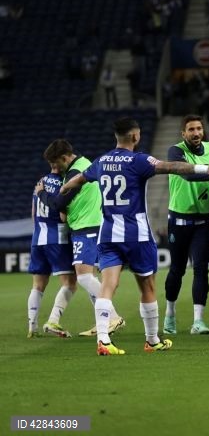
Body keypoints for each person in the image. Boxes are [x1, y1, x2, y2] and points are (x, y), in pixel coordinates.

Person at [59, 117, 209, 355]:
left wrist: (66, 187)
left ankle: (104, 340)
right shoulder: (139, 161)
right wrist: (205, 169)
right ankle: (152, 340)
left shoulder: (101, 161)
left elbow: (81, 177)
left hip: (107, 234)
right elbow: (172, 167)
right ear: (135, 136)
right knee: (147, 285)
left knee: (108, 285)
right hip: (136, 233)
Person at [37, 139, 125, 336]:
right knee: (88, 276)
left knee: (84, 276)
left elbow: (59, 202)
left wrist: (41, 194)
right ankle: (103, 322)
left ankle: (113, 317)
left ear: (65, 157)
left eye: (55, 163)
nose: (54, 168)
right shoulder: (80, 166)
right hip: (86, 225)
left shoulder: (77, 172)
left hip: (88, 226)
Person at [164, 114, 209, 336]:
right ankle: (169, 314)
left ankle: (198, 321)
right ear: (183, 134)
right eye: (191, 129)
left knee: (201, 269)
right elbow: (187, 175)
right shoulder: (175, 151)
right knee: (177, 270)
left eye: (199, 128)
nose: (196, 133)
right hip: (179, 221)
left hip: (204, 220)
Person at [27, 165, 77, 338]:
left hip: (37, 237)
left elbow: (34, 213)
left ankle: (32, 327)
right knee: (70, 283)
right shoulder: (62, 183)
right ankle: (53, 321)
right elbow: (63, 216)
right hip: (57, 238)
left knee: (38, 285)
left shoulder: (39, 182)